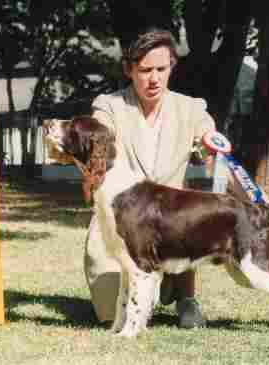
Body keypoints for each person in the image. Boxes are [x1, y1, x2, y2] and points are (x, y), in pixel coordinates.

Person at [86, 27, 216, 328]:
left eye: (161, 68)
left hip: (171, 223)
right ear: (128, 70)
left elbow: (207, 130)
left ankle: (184, 296)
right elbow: (99, 135)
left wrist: (210, 138)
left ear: (172, 67)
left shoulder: (191, 107)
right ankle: (152, 290)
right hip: (123, 222)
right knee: (108, 312)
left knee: (184, 220)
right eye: (144, 70)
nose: (154, 78)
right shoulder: (108, 105)